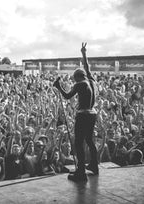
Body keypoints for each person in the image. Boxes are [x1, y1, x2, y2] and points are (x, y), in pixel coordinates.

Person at [53, 43, 98, 182]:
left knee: (78, 143)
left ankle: (81, 172)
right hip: (92, 113)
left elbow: (67, 96)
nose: (74, 81)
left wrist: (58, 86)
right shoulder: (91, 80)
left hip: (83, 114)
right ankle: (94, 166)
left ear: (77, 77)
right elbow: (87, 67)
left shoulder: (80, 83)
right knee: (89, 140)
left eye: (74, 79)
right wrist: (84, 54)